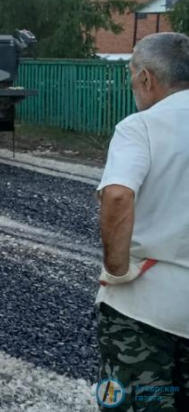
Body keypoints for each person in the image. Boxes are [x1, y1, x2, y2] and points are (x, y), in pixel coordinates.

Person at [95, 32, 189, 411]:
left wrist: (116, 270)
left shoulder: (141, 127)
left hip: (145, 313)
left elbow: (117, 195)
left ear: (147, 78)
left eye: (132, 75)